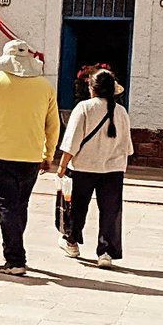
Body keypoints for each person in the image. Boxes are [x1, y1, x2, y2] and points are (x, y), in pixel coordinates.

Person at [0, 39, 60, 276]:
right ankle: (17, 252)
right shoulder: (44, 86)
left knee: (7, 205)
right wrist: (49, 153)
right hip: (31, 155)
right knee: (20, 204)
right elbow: (53, 125)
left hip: (1, 154)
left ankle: (15, 259)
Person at [57, 68, 133, 267]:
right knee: (110, 211)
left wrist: (62, 165)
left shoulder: (84, 108)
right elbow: (127, 146)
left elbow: (72, 141)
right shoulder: (121, 112)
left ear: (92, 88)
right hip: (113, 169)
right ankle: (106, 252)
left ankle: (72, 242)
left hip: (84, 167)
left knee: (77, 207)